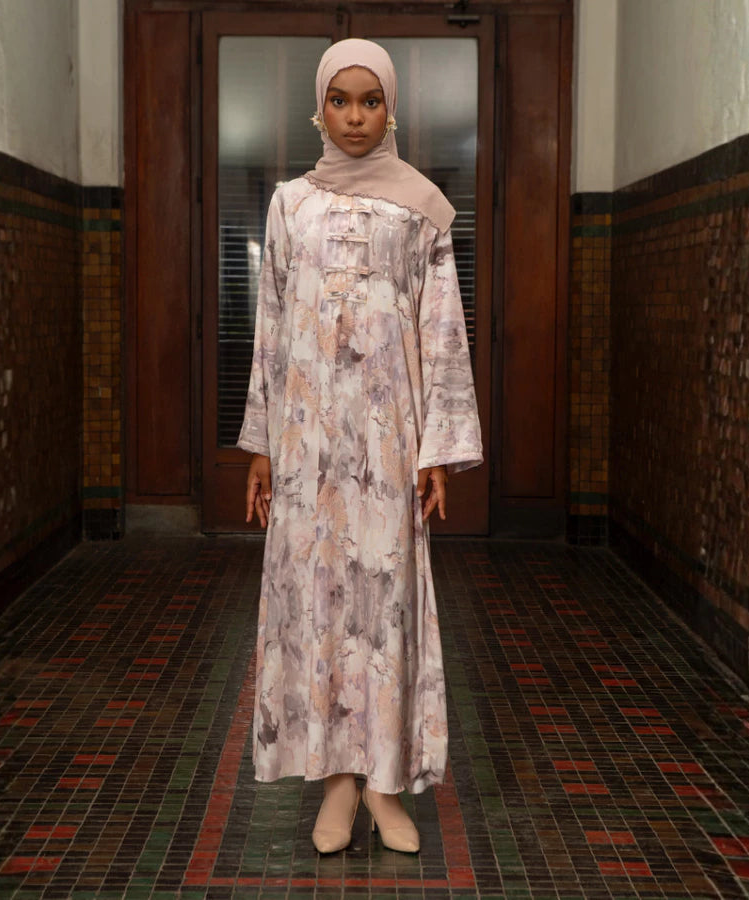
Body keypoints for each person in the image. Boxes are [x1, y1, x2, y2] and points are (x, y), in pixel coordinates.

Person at [238, 38, 482, 854]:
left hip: (387, 450)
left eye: (368, 101)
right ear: (318, 106)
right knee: (319, 609)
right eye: (339, 100)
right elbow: (270, 327)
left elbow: (442, 333)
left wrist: (436, 452)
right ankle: (334, 787)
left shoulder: (421, 209)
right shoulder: (288, 206)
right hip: (308, 449)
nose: (353, 116)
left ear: (391, 110)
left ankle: (384, 786)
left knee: (386, 612)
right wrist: (263, 446)